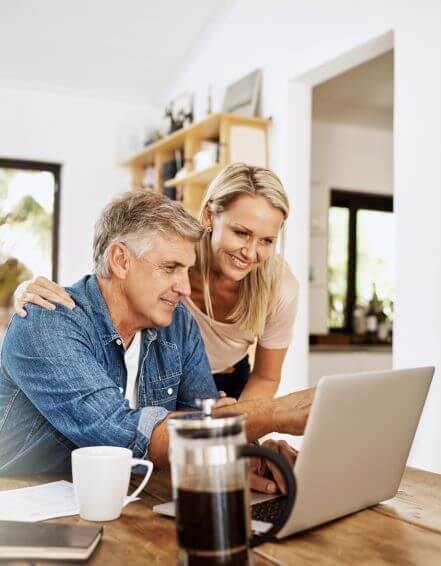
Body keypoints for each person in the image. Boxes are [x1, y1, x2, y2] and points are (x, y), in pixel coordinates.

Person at [0, 191, 313, 493]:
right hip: (23, 510)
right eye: (170, 268)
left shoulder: (178, 324)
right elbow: (121, 433)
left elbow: (204, 420)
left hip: (129, 500)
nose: (184, 288)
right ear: (121, 260)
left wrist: (250, 455)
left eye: (187, 270)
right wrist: (270, 414)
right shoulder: (47, 324)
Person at [15, 163, 298, 401]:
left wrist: (242, 424)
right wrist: (28, 293)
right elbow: (110, 277)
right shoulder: (175, 246)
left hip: (228, 378)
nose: (250, 252)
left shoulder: (279, 287)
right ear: (210, 215)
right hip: (162, 368)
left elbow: (266, 375)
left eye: (266, 241)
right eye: (240, 232)